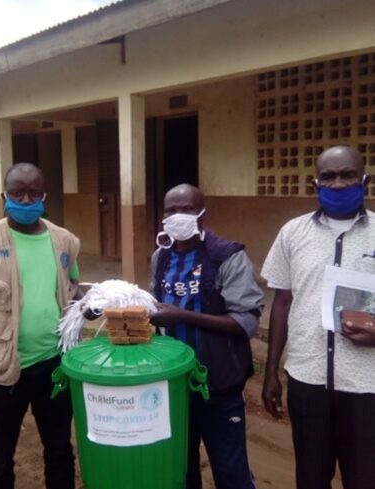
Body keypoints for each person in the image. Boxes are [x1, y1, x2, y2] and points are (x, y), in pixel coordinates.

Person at [0, 162, 80, 489]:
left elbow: (72, 291)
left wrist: (94, 303)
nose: (26, 201)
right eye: (17, 193)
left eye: (33, 193)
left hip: (55, 367)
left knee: (59, 450)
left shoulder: (65, 241)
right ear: (4, 195)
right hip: (4, 371)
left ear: (44, 195)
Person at [261, 145, 375, 489]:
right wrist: (271, 374)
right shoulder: (292, 233)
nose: (338, 184)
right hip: (307, 379)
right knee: (310, 476)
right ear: (316, 184)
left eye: (348, 175)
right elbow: (281, 303)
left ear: (365, 181)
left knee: (364, 478)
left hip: (366, 385)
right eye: (329, 176)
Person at [149, 183, 264, 489]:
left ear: (202, 212)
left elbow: (246, 322)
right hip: (173, 384)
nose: (178, 216)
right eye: (171, 210)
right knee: (181, 469)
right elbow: (155, 308)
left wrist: (183, 316)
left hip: (219, 383)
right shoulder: (160, 258)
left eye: (186, 209)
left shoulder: (226, 256)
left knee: (231, 471)